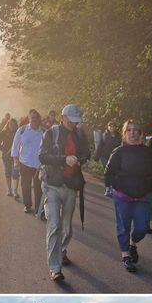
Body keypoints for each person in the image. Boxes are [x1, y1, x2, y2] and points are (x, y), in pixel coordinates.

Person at [39, 103, 91, 281]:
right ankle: (55, 268)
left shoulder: (79, 134)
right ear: (63, 118)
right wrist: (64, 159)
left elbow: (87, 153)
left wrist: (80, 159)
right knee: (54, 225)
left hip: (70, 186)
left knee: (67, 227)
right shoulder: (50, 133)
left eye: (76, 121)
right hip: (52, 186)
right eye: (71, 121)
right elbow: (42, 156)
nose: (74, 124)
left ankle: (61, 249)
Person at [105, 119, 152, 273]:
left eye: (135, 130)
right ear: (124, 133)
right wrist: (118, 185)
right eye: (129, 130)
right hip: (122, 196)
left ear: (140, 133)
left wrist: (149, 185)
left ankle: (133, 243)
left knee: (142, 228)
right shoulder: (119, 152)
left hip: (141, 196)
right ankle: (125, 255)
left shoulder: (147, 151)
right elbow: (108, 174)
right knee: (123, 226)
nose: (132, 133)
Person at [11, 109, 46, 217]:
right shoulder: (22, 130)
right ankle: (27, 205)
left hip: (39, 165)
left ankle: (38, 209)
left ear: (39, 119)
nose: (34, 120)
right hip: (25, 163)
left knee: (38, 188)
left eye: (36, 118)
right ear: (29, 119)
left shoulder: (44, 132)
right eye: (32, 118)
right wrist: (16, 161)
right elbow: (15, 146)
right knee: (25, 186)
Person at [0, 118, 20, 199]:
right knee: (8, 173)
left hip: (16, 157)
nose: (12, 126)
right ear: (8, 124)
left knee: (15, 173)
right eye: (10, 124)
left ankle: (15, 191)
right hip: (6, 156)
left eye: (13, 125)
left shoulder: (18, 132)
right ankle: (9, 189)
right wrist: (3, 149)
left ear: (16, 125)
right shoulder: (3, 132)